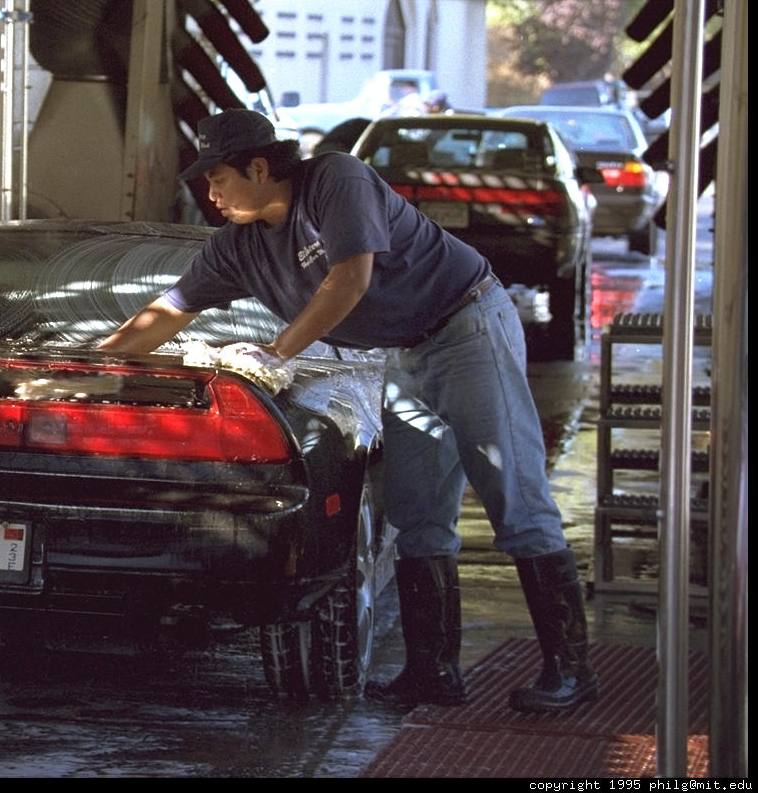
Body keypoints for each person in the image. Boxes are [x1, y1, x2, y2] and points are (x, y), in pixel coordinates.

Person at [97, 108, 598, 713]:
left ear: (260, 168)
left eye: (219, 178)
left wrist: (277, 352)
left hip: (467, 328)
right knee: (417, 514)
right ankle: (432, 672)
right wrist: (86, 370)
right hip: (404, 352)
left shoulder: (336, 180)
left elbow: (350, 279)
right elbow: (166, 312)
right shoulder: (237, 248)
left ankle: (571, 670)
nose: (212, 194)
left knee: (514, 496)